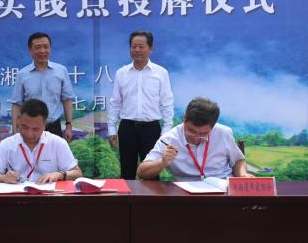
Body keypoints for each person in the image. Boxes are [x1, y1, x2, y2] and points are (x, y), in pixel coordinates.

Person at [107, 30, 174, 179]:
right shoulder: (121, 73)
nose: (137, 50)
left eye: (141, 46)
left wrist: (166, 132)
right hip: (127, 128)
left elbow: (167, 103)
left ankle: (151, 202)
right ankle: (127, 202)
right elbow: (115, 102)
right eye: (133, 46)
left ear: (150, 48)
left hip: (151, 129)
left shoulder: (161, 73)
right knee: (127, 171)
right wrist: (111, 128)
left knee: (151, 173)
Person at [137, 97, 254, 181]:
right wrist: (162, 162)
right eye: (191, 131)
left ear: (213, 127)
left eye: (203, 133)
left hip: (222, 187)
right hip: (186, 193)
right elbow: (142, 172)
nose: (196, 137)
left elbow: (238, 160)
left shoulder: (223, 133)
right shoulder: (170, 139)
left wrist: (243, 175)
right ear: (184, 119)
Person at [0, 99, 82, 184]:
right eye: (25, 127)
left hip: (49, 199)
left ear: (45, 125)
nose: (29, 134)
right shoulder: (7, 144)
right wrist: (4, 178)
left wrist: (59, 174)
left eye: (35, 129)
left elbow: (77, 173)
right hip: (17, 199)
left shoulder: (57, 143)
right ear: (18, 121)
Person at [10, 32, 75, 142]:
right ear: (30, 51)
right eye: (38, 47)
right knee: (30, 159)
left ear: (50, 48)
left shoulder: (61, 71)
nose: (42, 51)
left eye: (46, 47)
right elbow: (17, 104)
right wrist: (15, 129)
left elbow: (67, 100)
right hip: (30, 129)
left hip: (54, 127)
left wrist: (69, 126)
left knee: (54, 159)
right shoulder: (23, 74)